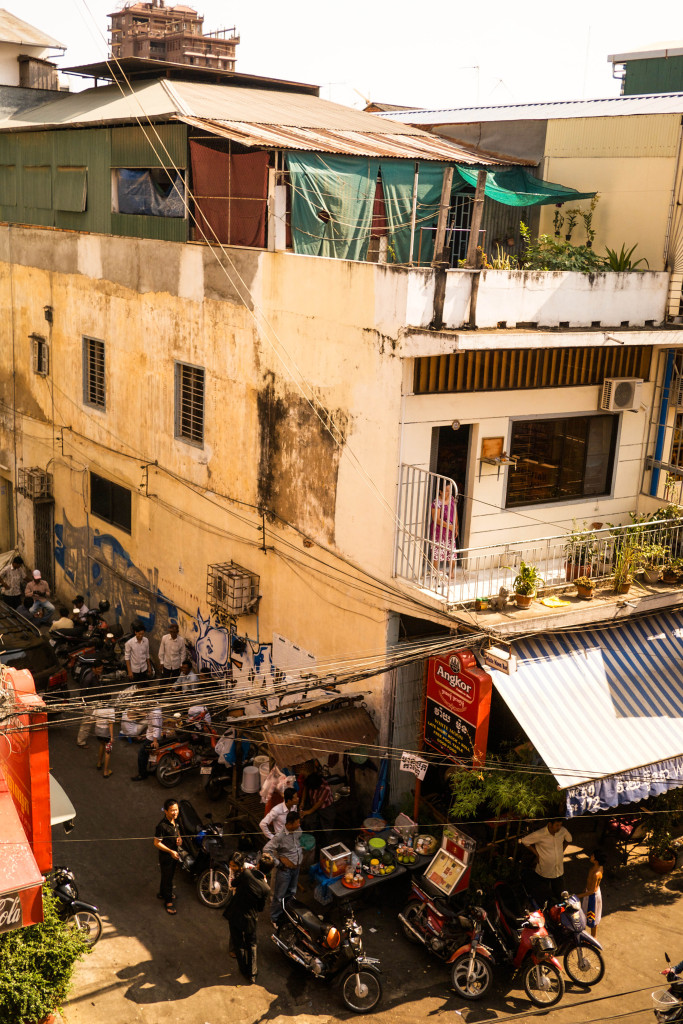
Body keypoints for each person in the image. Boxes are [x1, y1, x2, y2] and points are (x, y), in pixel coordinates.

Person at [223, 851, 270, 984]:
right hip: (251, 917)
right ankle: (252, 973)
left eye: (233, 865)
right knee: (252, 944)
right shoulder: (265, 888)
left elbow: (233, 884)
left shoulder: (246, 873)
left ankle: (244, 970)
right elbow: (261, 908)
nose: (231, 868)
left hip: (235, 912)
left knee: (239, 943)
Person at [519, 818, 572, 908]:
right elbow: (524, 841)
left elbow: (569, 839)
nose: (559, 828)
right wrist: (537, 854)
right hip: (544, 871)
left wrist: (562, 850)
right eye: (557, 825)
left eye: (560, 825)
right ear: (550, 824)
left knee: (560, 894)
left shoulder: (563, 831)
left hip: (558, 871)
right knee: (544, 896)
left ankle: (560, 911)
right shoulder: (540, 834)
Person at [264, 810, 303, 931]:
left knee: (291, 892)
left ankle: (287, 911)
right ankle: (274, 917)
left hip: (296, 868)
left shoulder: (298, 830)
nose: (299, 824)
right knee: (279, 895)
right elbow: (267, 849)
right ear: (290, 824)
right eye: (297, 823)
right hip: (285, 871)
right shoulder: (280, 836)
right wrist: (279, 863)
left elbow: (297, 843)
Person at [154, 798, 182, 914]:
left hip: (174, 854)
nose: (175, 812)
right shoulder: (162, 826)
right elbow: (156, 843)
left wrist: (179, 839)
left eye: (176, 810)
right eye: (172, 810)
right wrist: (170, 851)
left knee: (167, 876)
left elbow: (177, 832)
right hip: (166, 857)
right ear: (166, 811)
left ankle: (162, 893)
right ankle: (168, 902)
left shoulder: (175, 821)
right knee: (168, 878)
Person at [430, 481, 458, 580]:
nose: (448, 493)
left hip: (450, 531)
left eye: (450, 491)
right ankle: (436, 572)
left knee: (452, 553)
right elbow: (436, 519)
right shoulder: (437, 502)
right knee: (437, 552)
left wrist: (456, 527)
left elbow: (455, 513)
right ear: (440, 492)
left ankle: (451, 572)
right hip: (439, 531)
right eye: (446, 491)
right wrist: (449, 526)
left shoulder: (452, 499)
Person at [301, 771, 335, 848]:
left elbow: (319, 804)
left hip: (326, 808)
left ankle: (326, 845)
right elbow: (305, 789)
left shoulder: (326, 788)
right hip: (313, 803)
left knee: (327, 827)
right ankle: (312, 840)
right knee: (309, 822)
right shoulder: (310, 781)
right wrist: (302, 802)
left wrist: (308, 812)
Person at [131, 706, 163, 781]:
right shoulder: (155, 708)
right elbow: (148, 715)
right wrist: (138, 711)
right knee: (148, 754)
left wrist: (155, 741)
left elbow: (156, 727)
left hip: (151, 739)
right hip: (151, 736)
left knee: (142, 754)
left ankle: (142, 774)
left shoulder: (155, 713)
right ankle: (150, 770)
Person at [578, 848, 604, 937]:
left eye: (593, 856)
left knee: (593, 918)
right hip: (588, 893)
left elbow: (592, 890)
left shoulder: (597, 873)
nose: (591, 856)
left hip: (592, 897)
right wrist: (584, 890)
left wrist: (579, 896)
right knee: (584, 915)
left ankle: (594, 938)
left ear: (596, 860)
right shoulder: (594, 868)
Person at [93, 702, 115, 777]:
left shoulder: (98, 706)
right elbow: (110, 723)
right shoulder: (110, 708)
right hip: (106, 732)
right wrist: (112, 736)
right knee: (108, 751)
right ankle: (105, 771)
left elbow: (92, 717)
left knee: (102, 744)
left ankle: (99, 763)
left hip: (97, 730)